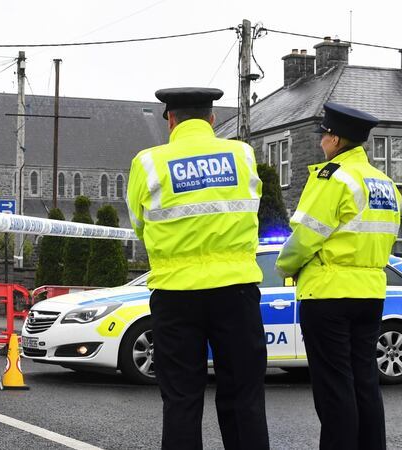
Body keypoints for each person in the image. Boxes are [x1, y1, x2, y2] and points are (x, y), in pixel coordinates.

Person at [127, 87, 269, 449]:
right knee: (244, 398)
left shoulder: (147, 162)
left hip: (175, 294)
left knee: (182, 400)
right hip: (236, 291)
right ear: (212, 119)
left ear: (170, 120)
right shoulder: (242, 154)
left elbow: (139, 225)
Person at [276, 102, 400, 450]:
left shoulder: (333, 178)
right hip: (372, 292)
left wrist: (285, 267)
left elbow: (305, 237)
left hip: (328, 294)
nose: (321, 143)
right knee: (364, 382)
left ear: (337, 139)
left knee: (334, 387)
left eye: (325, 135)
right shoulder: (386, 183)